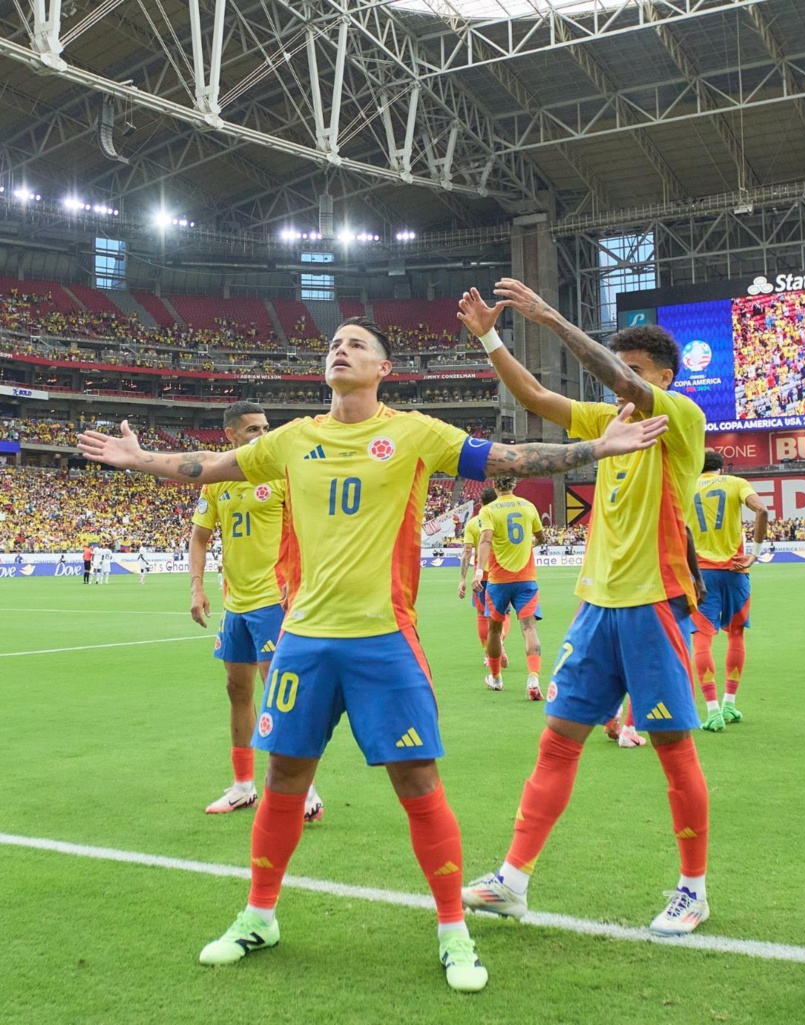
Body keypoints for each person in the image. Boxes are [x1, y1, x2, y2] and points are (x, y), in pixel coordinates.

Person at [77, 315, 667, 993]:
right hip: (302, 640)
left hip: (384, 640)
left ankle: (453, 930)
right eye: (334, 343)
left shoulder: (414, 431)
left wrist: (598, 447)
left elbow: (505, 459)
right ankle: (258, 915)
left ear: (384, 369)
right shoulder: (292, 440)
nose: (341, 348)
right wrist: (140, 458)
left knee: (417, 782)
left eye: (357, 343)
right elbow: (208, 467)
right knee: (284, 782)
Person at [457, 281, 709, 936]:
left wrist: (554, 319)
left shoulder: (679, 417)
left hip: (653, 602)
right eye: (618, 374)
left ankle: (693, 889)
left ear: (664, 378)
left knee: (672, 747)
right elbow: (537, 397)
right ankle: (512, 880)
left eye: (634, 374)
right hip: (596, 607)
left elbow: (608, 370)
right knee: (558, 740)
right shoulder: (607, 423)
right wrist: (491, 337)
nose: (618, 387)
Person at [189, 400, 323, 821]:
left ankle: (306, 791)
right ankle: (244, 786)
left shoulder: (282, 475)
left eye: (266, 428)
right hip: (235, 603)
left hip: (273, 600)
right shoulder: (216, 481)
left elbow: (311, 530)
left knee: (278, 695)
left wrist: (299, 581)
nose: (263, 435)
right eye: (253, 430)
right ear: (230, 435)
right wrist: (196, 588)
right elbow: (199, 538)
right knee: (237, 691)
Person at [687, 449, 769, 731]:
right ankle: (729, 704)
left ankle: (711, 712)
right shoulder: (736, 483)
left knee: (702, 638)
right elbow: (762, 509)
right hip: (736, 570)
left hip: (700, 575)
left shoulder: (685, 487)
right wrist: (755, 553)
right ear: (721, 469)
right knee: (736, 635)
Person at [472, 477, 547, 699]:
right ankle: (533, 679)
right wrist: (530, 544)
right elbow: (540, 537)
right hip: (526, 578)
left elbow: (485, 540)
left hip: (498, 580)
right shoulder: (528, 506)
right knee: (529, 628)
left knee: (495, 630)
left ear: (495, 485)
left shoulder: (489, 510)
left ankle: (495, 678)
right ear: (514, 484)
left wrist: (478, 571)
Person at [458, 486, 510, 675]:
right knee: (504, 615)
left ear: (480, 503)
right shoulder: (501, 517)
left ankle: (489, 653)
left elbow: (467, 552)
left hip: (481, 576)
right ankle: (500, 640)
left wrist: (462, 579)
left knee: (481, 614)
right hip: (501, 573)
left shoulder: (472, 523)